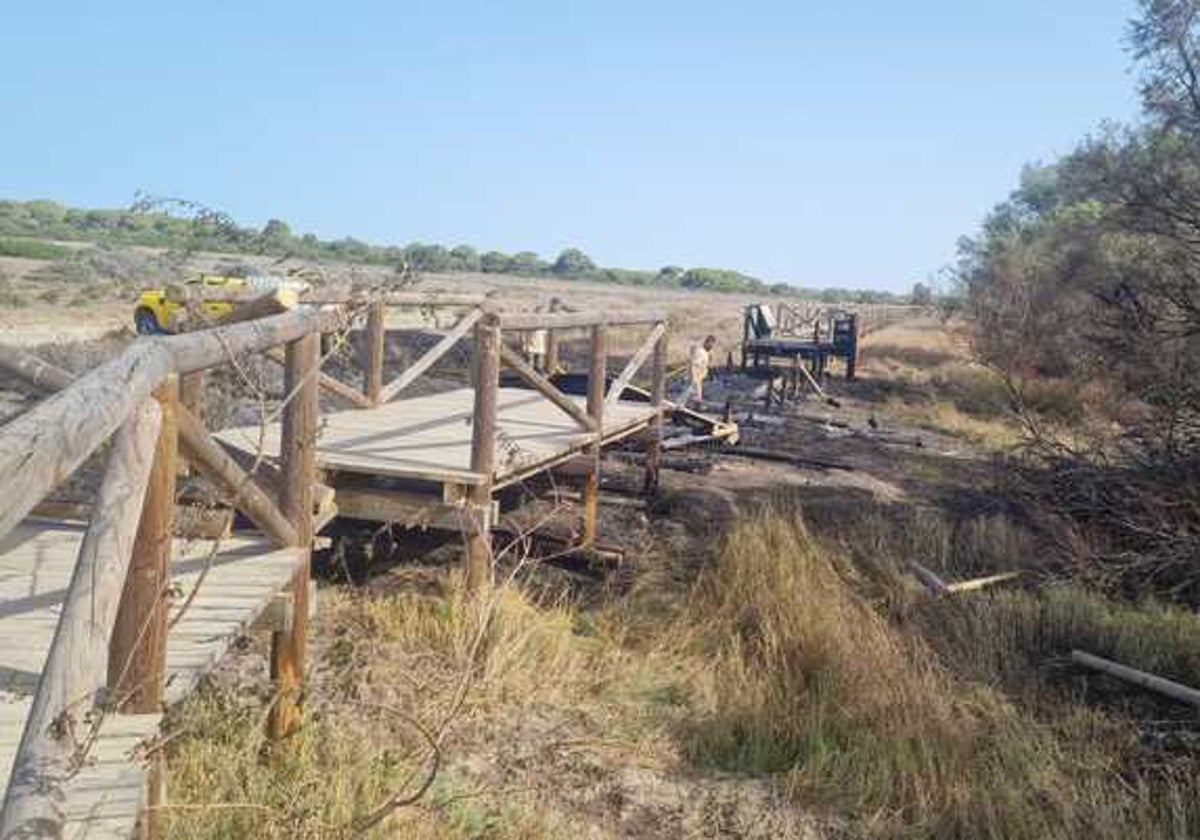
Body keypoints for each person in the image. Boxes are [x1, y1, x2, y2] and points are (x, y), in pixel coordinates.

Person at [683, 334, 717, 406]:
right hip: (695, 377)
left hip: (700, 377)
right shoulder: (700, 352)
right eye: (711, 344)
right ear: (707, 342)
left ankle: (695, 403)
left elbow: (709, 365)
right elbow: (694, 366)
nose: (712, 346)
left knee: (697, 394)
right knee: (692, 394)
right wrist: (694, 378)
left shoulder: (708, 352)